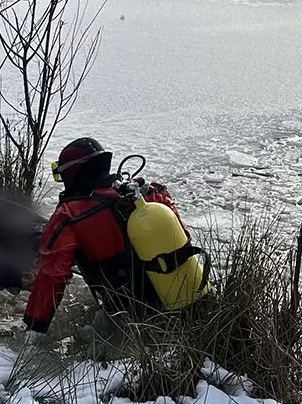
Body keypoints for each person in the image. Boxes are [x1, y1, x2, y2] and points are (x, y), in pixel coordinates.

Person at [23, 138, 208, 337]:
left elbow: (52, 276)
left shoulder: (68, 215)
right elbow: (184, 237)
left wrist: (35, 328)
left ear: (71, 173)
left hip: (129, 316)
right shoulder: (148, 194)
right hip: (188, 296)